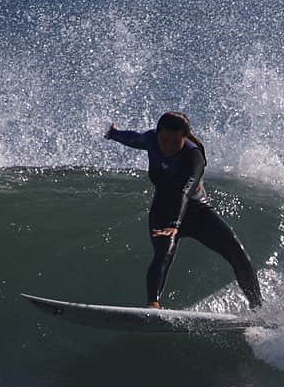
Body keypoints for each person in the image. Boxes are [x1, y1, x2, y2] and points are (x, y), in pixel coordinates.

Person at [105, 111, 262, 309]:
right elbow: (134, 139)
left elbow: (185, 191)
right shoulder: (151, 140)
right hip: (163, 209)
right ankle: (153, 304)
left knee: (238, 254)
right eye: (165, 139)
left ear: (185, 138)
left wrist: (174, 224)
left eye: (175, 141)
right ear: (158, 133)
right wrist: (114, 134)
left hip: (197, 212)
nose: (168, 146)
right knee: (164, 252)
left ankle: (257, 307)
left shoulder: (193, 155)